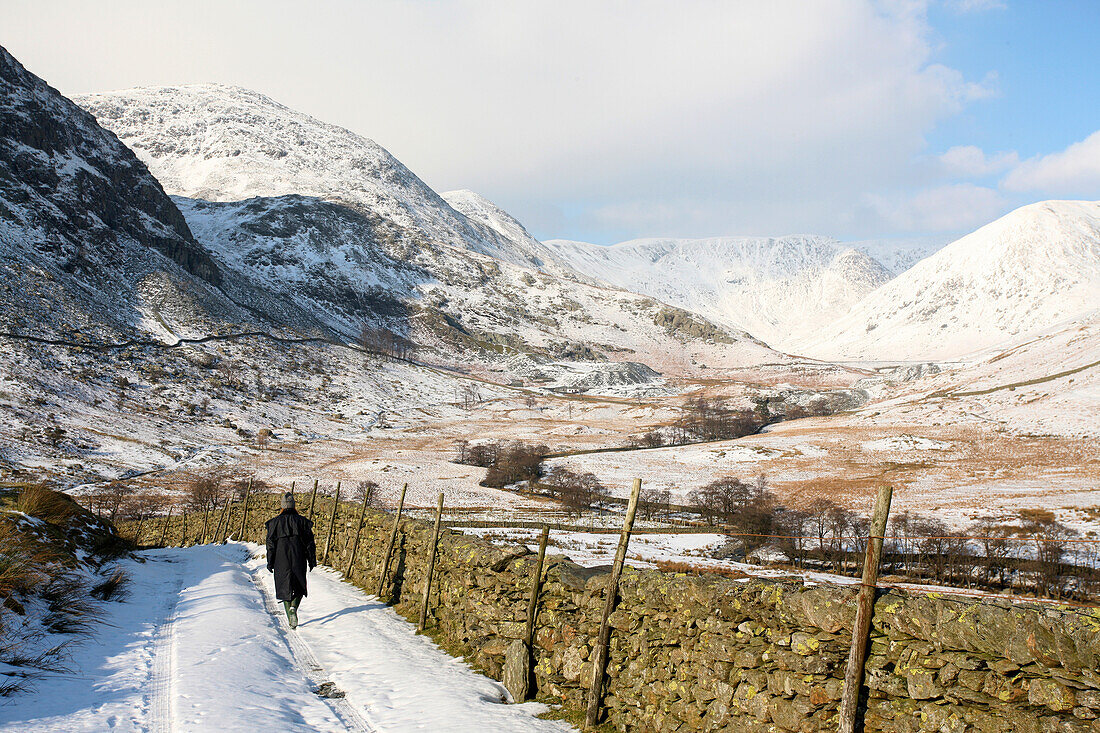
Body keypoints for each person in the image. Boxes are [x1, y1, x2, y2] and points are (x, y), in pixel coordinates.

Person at [265, 492, 316, 629]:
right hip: (299, 557)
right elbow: (310, 543)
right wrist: (311, 560)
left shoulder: (274, 523)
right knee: (299, 585)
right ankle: (294, 607)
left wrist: (270, 561)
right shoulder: (303, 522)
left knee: (284, 587)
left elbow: (270, 545)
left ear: (282, 506)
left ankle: (290, 617)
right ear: (294, 506)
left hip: (281, 559)